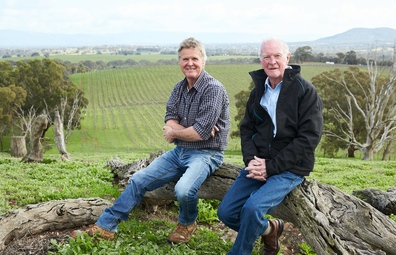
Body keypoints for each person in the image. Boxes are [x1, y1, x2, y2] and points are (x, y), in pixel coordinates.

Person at [77, 37, 230, 243]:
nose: (190, 63)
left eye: (194, 58)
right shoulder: (179, 88)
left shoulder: (214, 89)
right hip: (180, 152)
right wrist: (191, 129)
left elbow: (198, 134)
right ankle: (106, 226)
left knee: (183, 189)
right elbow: (170, 120)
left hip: (207, 153)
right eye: (185, 59)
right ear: (179, 62)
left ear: (203, 60)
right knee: (138, 180)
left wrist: (179, 131)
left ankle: (187, 223)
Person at [217, 38, 323, 255]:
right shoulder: (259, 91)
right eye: (266, 57)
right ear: (260, 59)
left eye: (277, 56)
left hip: (291, 166)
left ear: (287, 58)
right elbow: (246, 129)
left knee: (252, 208)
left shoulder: (305, 91)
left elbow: (309, 138)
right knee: (226, 213)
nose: (272, 61)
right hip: (259, 163)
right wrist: (252, 161)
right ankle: (270, 229)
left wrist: (272, 167)